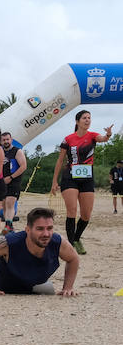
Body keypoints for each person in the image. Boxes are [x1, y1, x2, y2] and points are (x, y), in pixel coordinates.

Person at [0, 207, 79, 296]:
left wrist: (68, 287)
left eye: (49, 228)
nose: (46, 234)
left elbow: (73, 259)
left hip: (31, 284)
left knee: (49, 291)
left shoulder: (57, 242)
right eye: (40, 229)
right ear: (28, 230)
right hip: (2, 283)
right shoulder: (9, 243)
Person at [50, 109, 115, 254]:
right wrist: (54, 181)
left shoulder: (92, 136)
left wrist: (108, 134)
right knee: (72, 211)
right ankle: (71, 248)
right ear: (77, 121)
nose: (87, 120)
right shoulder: (68, 139)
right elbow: (60, 161)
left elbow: (103, 138)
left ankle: (76, 239)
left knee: (86, 214)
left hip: (87, 178)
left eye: (89, 118)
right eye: (84, 118)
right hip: (70, 177)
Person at [0, 131, 27, 233]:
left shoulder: (17, 151)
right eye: (4, 140)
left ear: (11, 140)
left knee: (10, 203)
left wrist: (11, 177)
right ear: (1, 141)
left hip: (14, 181)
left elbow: (23, 166)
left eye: (7, 139)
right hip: (2, 182)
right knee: (4, 204)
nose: (6, 141)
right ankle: (9, 226)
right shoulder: (0, 151)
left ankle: (8, 225)